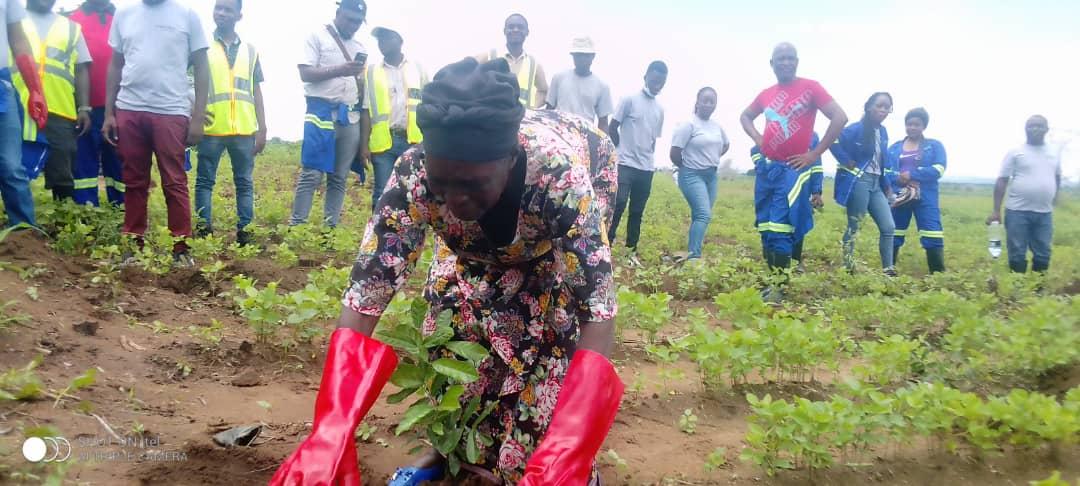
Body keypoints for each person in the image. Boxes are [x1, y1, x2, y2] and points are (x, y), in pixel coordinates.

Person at [269, 58, 621, 486]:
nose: (455, 201)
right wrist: (331, 431)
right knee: (448, 332)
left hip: (548, 249)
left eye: (472, 184)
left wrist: (569, 449)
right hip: (469, 255)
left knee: (549, 367)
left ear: (509, 160)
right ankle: (449, 451)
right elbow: (367, 292)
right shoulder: (413, 175)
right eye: (443, 184)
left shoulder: (560, 178)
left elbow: (597, 311)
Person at [102, 0, 208, 267]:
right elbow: (115, 65)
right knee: (134, 180)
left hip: (171, 110)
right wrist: (108, 113)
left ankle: (181, 249)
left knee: (174, 179)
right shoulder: (124, 14)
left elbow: (202, 67)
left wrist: (197, 117)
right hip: (130, 107)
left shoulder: (187, 16)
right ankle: (132, 247)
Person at [739, 42, 846, 291]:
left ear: (796, 62)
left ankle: (780, 288)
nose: (785, 62)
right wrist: (757, 138)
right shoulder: (766, 94)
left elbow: (839, 117)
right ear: (772, 64)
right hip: (768, 169)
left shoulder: (811, 88)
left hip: (792, 170)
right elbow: (745, 116)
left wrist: (814, 154)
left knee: (780, 227)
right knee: (765, 226)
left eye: (790, 58)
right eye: (780, 59)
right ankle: (772, 281)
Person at [290, 0, 369, 228]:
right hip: (320, 113)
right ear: (338, 13)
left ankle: (330, 228)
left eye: (357, 21)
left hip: (350, 117)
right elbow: (305, 73)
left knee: (339, 177)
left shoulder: (360, 46)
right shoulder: (316, 37)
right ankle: (297, 226)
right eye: (349, 19)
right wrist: (341, 69)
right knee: (312, 173)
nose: (353, 25)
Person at [193, 0, 266, 247]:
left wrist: (262, 127)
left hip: (244, 129)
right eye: (218, 8)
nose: (221, 13)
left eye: (227, 9)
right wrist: (193, 114)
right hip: (211, 127)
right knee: (204, 181)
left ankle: (246, 234)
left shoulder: (251, 50)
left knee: (244, 183)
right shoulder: (201, 46)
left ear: (239, 15)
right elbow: (188, 82)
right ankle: (203, 231)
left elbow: (256, 90)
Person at [14, 0, 91, 202]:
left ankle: (63, 218)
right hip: (17, 105)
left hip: (60, 107)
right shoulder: (11, 20)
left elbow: (82, 68)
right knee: (11, 164)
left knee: (62, 166)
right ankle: (17, 219)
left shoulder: (71, 28)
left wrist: (84, 107)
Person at [608, 60, 667, 266]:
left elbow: (653, 139)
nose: (657, 84)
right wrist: (619, 151)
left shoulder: (660, 109)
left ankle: (630, 252)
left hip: (646, 168)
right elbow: (612, 127)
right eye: (654, 79)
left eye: (661, 81)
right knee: (619, 203)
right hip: (625, 164)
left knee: (637, 211)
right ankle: (607, 245)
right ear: (646, 76)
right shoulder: (629, 99)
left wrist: (648, 157)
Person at [831, 92, 896, 276]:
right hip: (859, 179)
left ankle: (888, 269)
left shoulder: (883, 132)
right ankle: (848, 267)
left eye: (887, 107)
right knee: (855, 224)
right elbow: (833, 140)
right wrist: (845, 160)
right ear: (869, 107)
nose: (883, 110)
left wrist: (888, 185)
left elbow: (882, 161)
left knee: (888, 226)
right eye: (880, 105)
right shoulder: (856, 128)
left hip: (876, 183)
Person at [987, 115, 1061, 274]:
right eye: (1031, 126)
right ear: (1025, 129)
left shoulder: (1054, 153)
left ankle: (1037, 290)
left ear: (1046, 129)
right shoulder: (1016, 152)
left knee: (1043, 254)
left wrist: (1054, 197)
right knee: (1017, 254)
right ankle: (1018, 291)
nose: (1035, 129)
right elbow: (1002, 180)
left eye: (1039, 126)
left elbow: (1057, 176)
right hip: (1017, 212)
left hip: (1044, 213)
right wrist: (995, 210)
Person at [363, 25, 426, 212]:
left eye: (386, 38)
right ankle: (377, 237)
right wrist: (363, 146)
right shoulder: (372, 71)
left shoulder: (417, 69)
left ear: (399, 40)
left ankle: (404, 237)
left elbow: (430, 103)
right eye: (379, 40)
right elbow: (366, 110)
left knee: (412, 192)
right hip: (384, 143)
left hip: (413, 142)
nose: (382, 43)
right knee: (382, 192)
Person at [68, 0, 122, 207]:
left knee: (119, 160)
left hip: (119, 106)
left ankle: (121, 209)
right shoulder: (72, 21)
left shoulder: (124, 17)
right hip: (83, 108)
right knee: (84, 161)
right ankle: (86, 209)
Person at [0, 0, 48, 227]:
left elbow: (18, 40)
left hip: (1, 87)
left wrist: (35, 89)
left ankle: (25, 235)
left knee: (11, 166)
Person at [670, 86, 729, 261]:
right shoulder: (688, 125)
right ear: (697, 102)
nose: (709, 104)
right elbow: (674, 152)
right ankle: (694, 256)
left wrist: (710, 157)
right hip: (691, 174)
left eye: (713, 101)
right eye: (706, 100)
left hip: (711, 176)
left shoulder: (716, 126)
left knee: (700, 214)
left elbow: (726, 144)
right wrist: (688, 165)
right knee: (704, 214)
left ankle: (691, 251)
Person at [752, 133, 824, 274]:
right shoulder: (774, 129)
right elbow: (756, 149)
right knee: (766, 226)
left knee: (788, 224)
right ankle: (773, 274)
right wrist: (762, 164)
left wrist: (816, 191)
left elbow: (816, 165)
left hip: (794, 183)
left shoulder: (811, 135)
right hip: (768, 184)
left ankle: (784, 277)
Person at [886, 107, 947, 273]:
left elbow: (939, 169)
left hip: (926, 196)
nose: (912, 127)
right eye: (909, 124)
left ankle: (937, 274)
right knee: (894, 232)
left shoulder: (934, 146)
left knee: (932, 232)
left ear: (924, 126)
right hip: (899, 195)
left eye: (917, 124)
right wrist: (898, 178)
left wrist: (912, 174)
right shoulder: (894, 148)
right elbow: (886, 171)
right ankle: (888, 271)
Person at [475, 13, 547, 109]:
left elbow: (543, 90)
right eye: (511, 27)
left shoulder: (534, 64)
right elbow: (465, 75)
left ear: (527, 32)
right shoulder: (489, 56)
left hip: (521, 121)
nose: (515, 30)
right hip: (493, 119)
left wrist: (532, 108)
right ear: (504, 31)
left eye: (520, 27)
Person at [544, 36, 613, 132]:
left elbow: (603, 122)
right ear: (573, 55)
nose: (581, 59)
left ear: (593, 56)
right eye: (578, 55)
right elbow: (548, 111)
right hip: (559, 134)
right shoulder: (559, 78)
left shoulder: (602, 86)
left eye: (585, 55)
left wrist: (601, 145)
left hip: (585, 136)